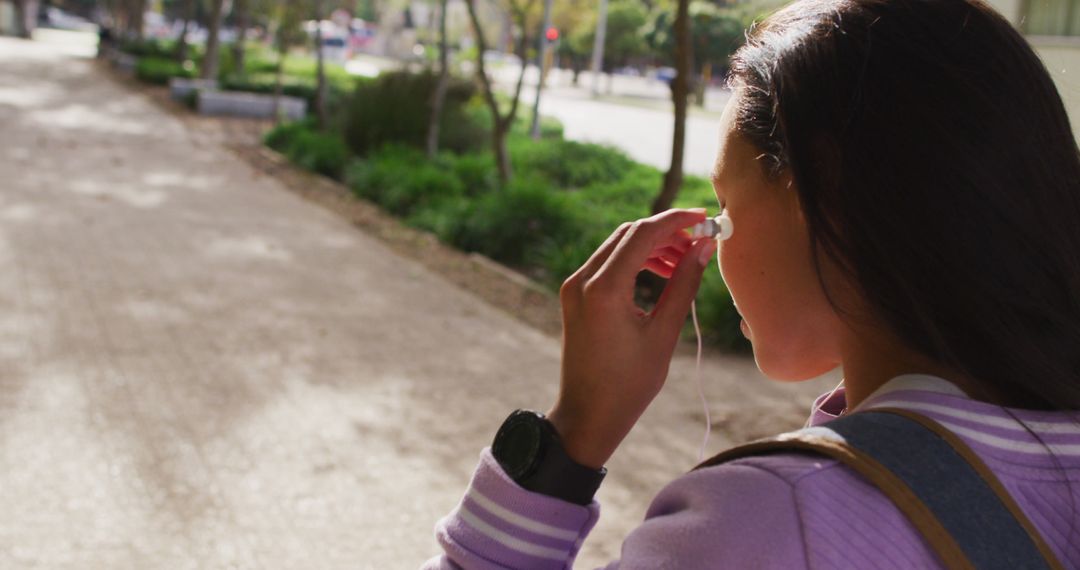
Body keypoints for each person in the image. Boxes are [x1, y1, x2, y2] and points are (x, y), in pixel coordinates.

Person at [423, 0, 1080, 567]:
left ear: (824, 198)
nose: (713, 236)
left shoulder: (774, 521)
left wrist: (573, 434)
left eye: (725, 209)